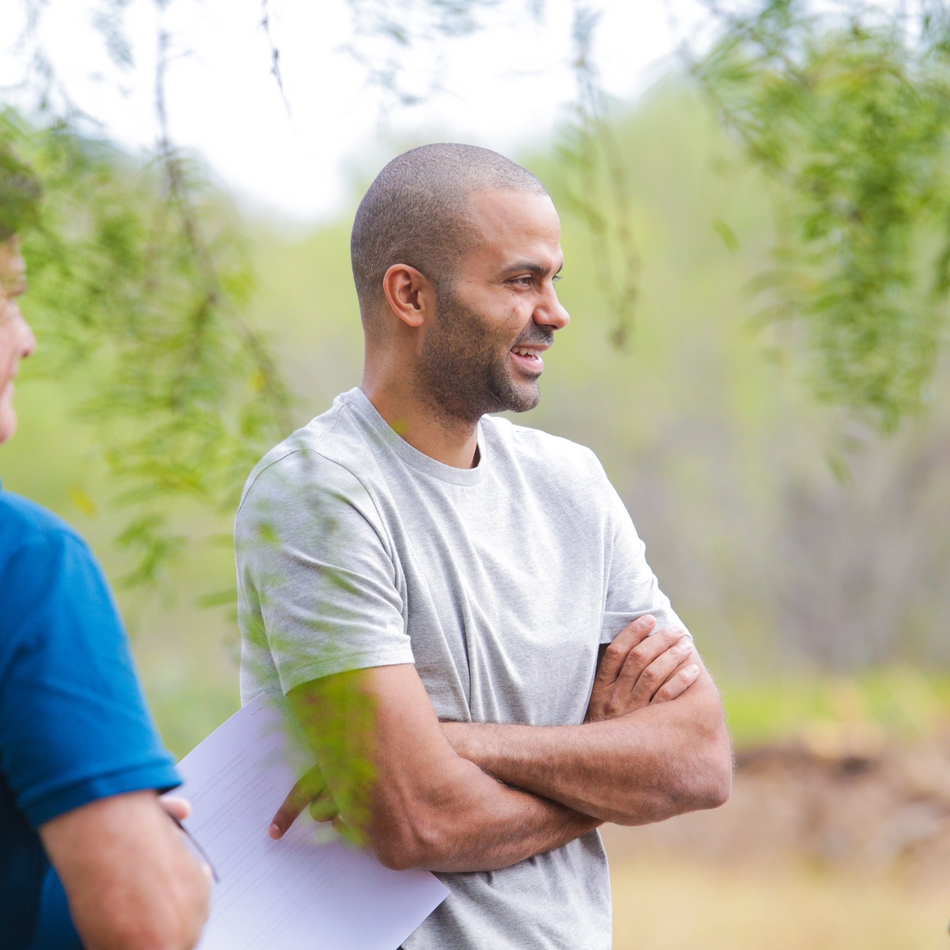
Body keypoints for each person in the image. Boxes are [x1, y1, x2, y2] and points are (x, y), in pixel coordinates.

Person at [235, 143, 732, 950]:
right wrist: (610, 767)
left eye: (555, 280)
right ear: (410, 295)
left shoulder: (572, 484)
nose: (556, 312)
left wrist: (459, 743)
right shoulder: (320, 492)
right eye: (521, 280)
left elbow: (700, 760)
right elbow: (414, 818)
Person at [0, 231, 211, 949]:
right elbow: (144, 923)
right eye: (8, 301)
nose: (27, 341)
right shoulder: (26, 561)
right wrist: (163, 860)